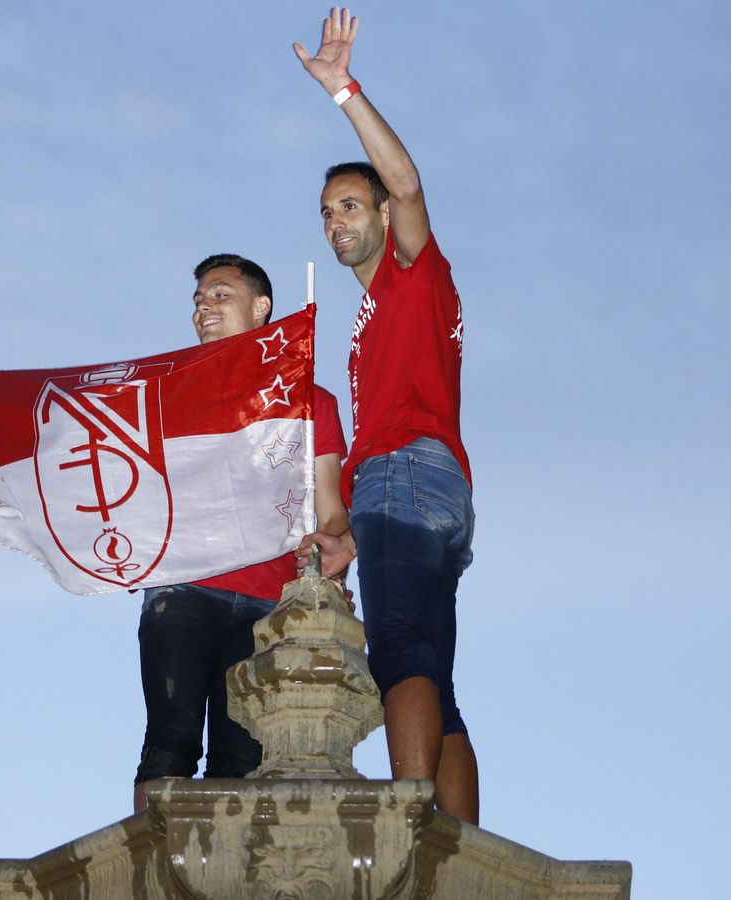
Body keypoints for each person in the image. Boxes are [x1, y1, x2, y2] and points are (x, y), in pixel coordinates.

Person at [0, 254, 351, 813]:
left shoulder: (308, 402)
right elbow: (71, 424)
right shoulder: (165, 396)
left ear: (261, 308)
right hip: (183, 591)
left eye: (220, 295)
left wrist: (338, 545)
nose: (204, 306)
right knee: (171, 739)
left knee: (245, 758)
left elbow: (331, 508)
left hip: (270, 604)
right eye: (198, 299)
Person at [292, 7, 480, 825]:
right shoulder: (371, 324)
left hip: (407, 477)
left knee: (401, 653)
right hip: (420, 490)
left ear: (377, 212)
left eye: (349, 205)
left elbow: (408, 183)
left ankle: (408, 831)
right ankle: (462, 850)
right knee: (434, 677)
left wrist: (344, 93)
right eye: (328, 213)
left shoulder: (413, 269)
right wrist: (348, 537)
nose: (338, 222)